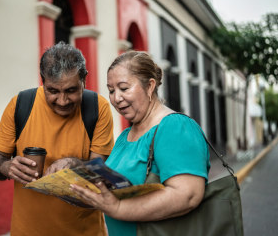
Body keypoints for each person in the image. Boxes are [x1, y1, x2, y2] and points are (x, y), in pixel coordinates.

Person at [70, 51, 210, 235]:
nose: (116, 98)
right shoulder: (125, 136)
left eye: (124, 88)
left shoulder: (174, 126)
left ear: (150, 86)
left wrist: (118, 208)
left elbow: (187, 195)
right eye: (111, 91)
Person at [0, 42, 115, 235]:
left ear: (84, 80)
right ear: (42, 81)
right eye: (53, 91)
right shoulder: (20, 105)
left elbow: (101, 169)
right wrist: (5, 166)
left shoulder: (98, 107)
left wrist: (74, 163)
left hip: (85, 231)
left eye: (71, 90)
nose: (62, 101)